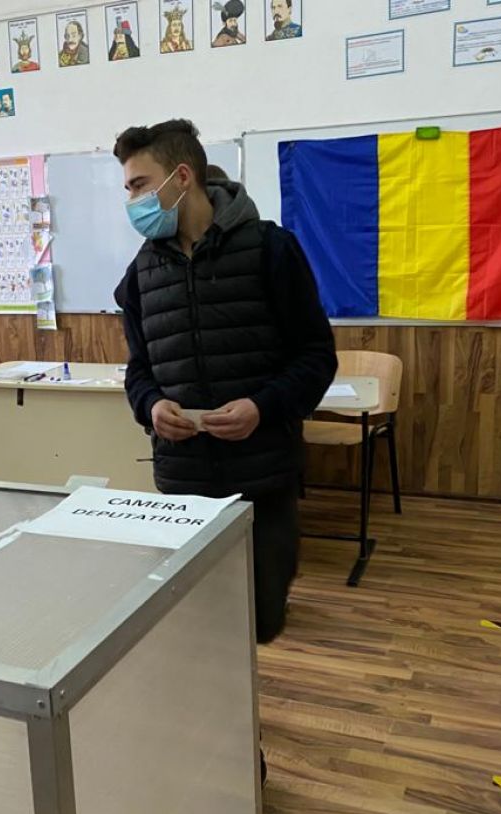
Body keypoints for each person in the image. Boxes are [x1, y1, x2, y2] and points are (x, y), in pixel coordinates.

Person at [112, 119, 336, 646]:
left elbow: (316, 356)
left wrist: (262, 407)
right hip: (182, 483)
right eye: (128, 189)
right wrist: (151, 407)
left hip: (262, 478)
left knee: (260, 621)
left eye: (139, 185)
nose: (132, 201)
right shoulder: (142, 272)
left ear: (181, 177)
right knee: (196, 626)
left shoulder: (271, 249)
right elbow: (139, 369)